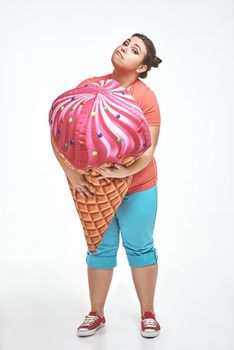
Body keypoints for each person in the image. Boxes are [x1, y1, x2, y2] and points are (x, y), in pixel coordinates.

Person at [50, 33, 162, 338]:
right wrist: (70, 173)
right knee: (98, 248)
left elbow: (149, 149)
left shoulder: (145, 98)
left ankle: (148, 313)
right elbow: (61, 130)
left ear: (141, 67)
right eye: (126, 43)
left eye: (134, 50)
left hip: (139, 187)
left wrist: (118, 175)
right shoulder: (90, 85)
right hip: (93, 187)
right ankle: (96, 314)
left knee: (140, 247)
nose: (124, 48)